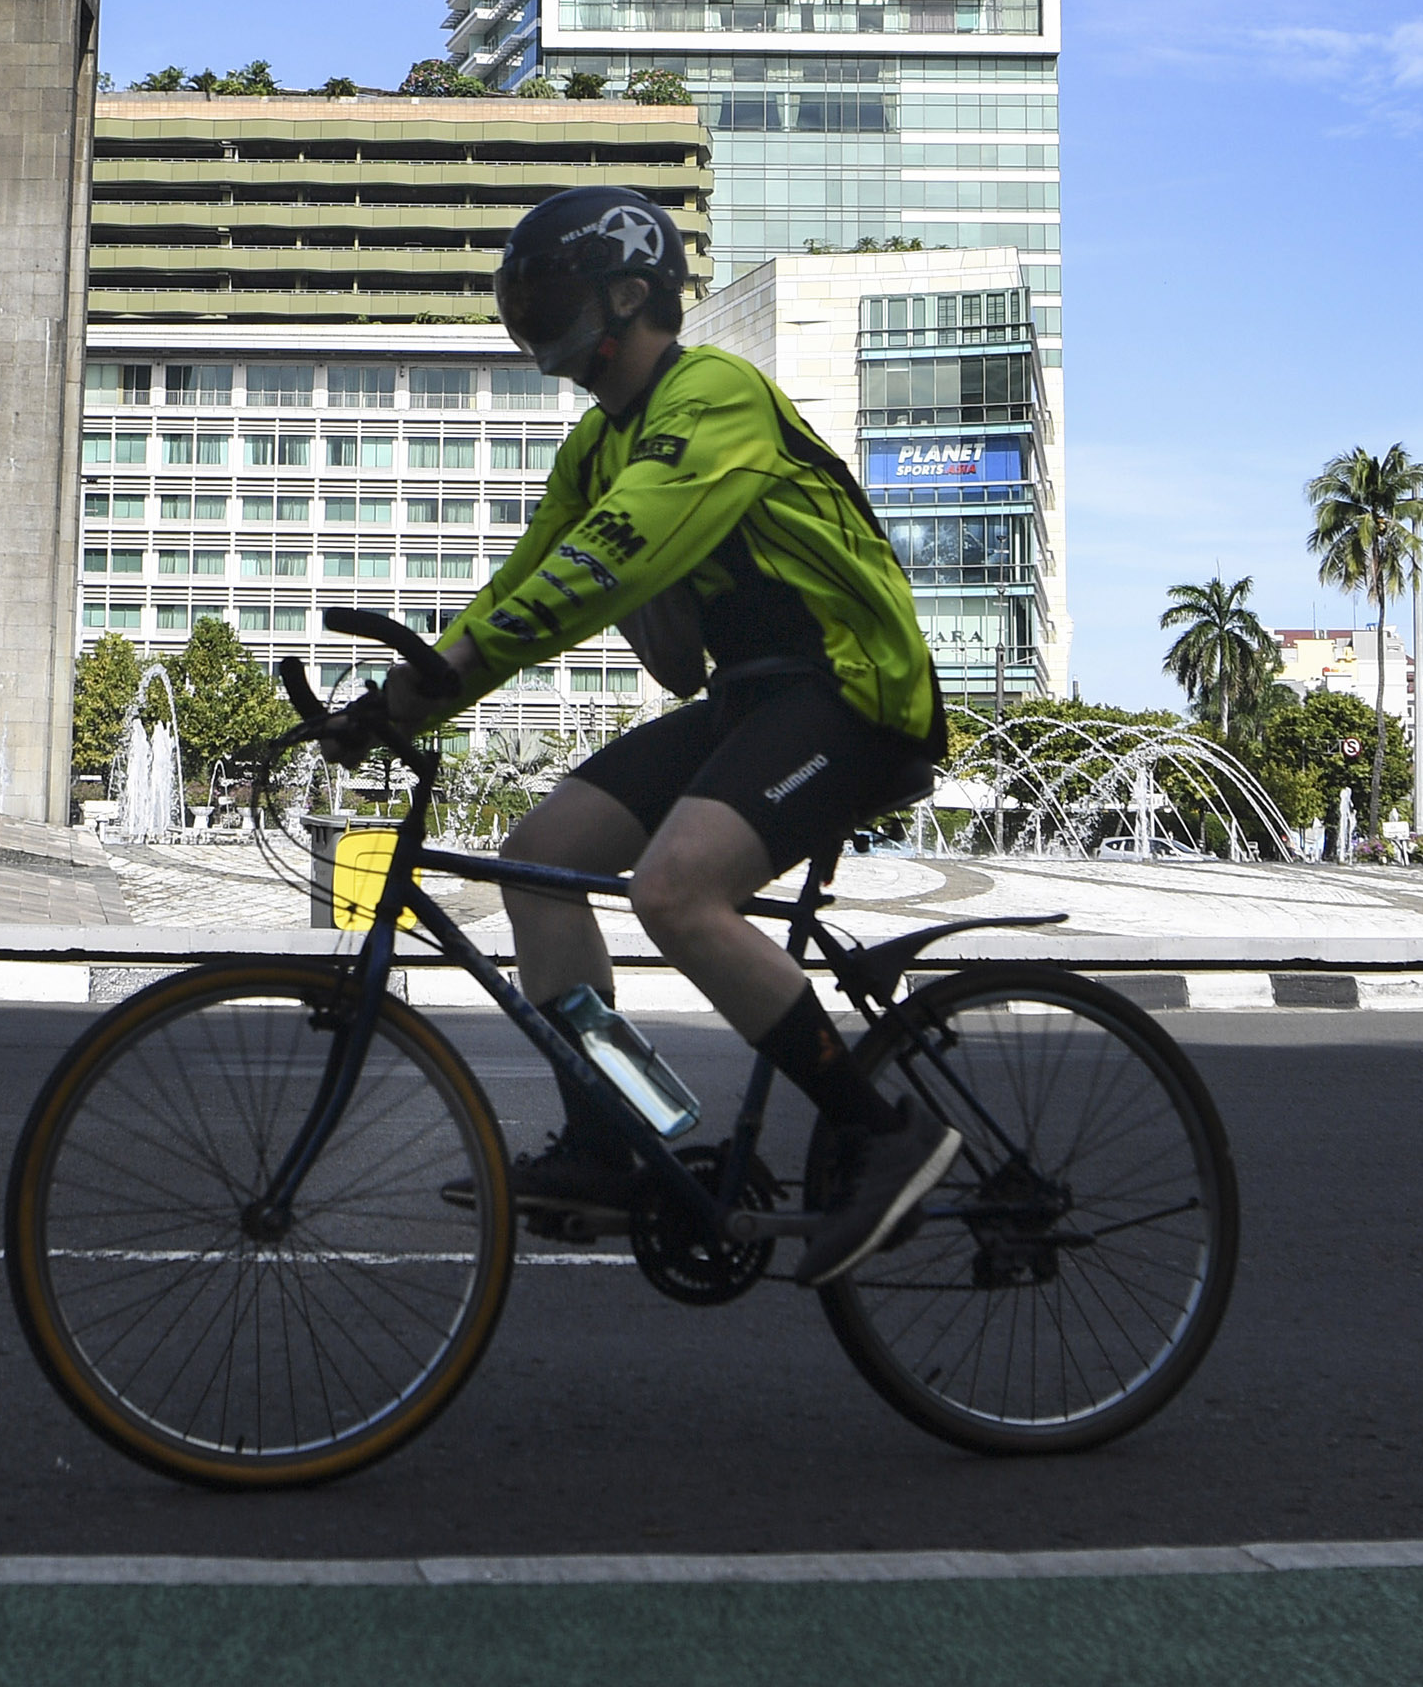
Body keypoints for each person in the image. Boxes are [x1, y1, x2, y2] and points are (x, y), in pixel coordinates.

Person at [332, 186, 959, 1289]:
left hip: (855, 690)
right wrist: (397, 697)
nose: (534, 328)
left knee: (674, 891)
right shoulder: (595, 447)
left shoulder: (714, 391)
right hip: (753, 700)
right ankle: (613, 1132)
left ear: (630, 295)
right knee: (541, 859)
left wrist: (436, 685)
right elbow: (534, 583)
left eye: (551, 302)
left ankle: (883, 1131)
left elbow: (595, 568)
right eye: (521, 308)